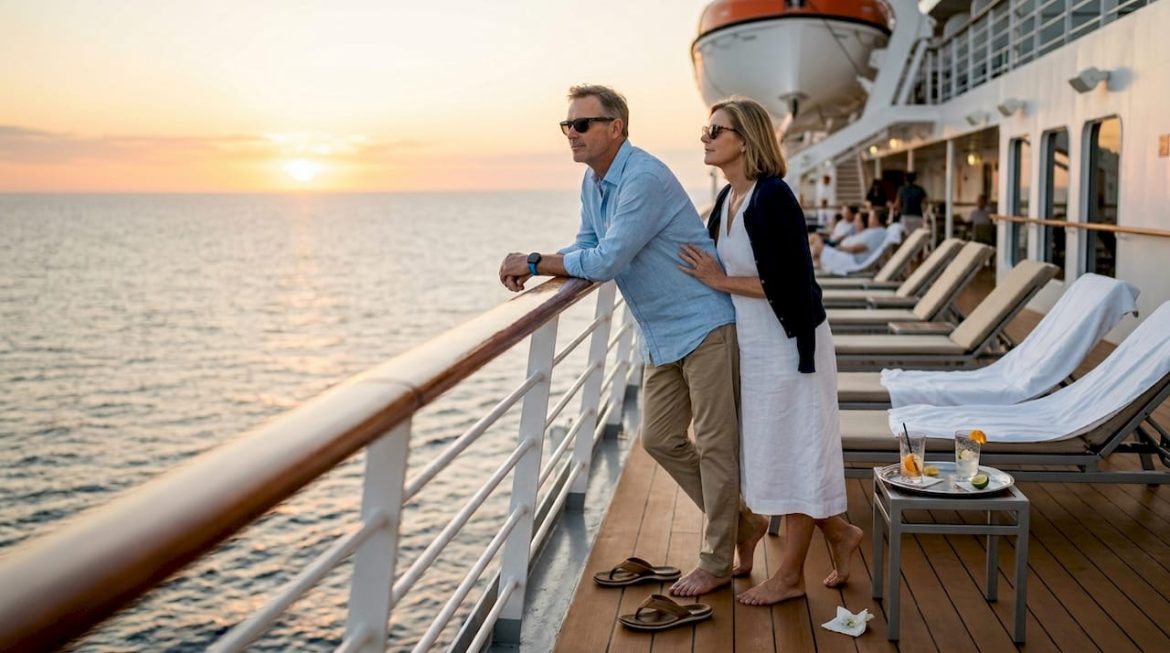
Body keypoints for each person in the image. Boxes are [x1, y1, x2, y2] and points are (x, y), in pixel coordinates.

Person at [497, 84, 766, 597]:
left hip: (705, 322)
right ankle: (741, 523)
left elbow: (606, 260)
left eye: (582, 125)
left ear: (615, 127)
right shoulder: (594, 182)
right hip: (660, 331)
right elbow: (585, 245)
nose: (571, 134)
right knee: (659, 438)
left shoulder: (641, 176)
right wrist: (542, 266)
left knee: (714, 446)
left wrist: (533, 262)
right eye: (567, 125)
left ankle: (715, 558)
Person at [679, 96, 861, 605]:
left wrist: (719, 279)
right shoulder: (727, 201)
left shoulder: (772, 196)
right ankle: (841, 535)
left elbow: (793, 285)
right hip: (755, 348)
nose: (707, 137)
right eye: (706, 129)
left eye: (717, 130)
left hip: (789, 346)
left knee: (796, 451)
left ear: (746, 138)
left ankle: (789, 576)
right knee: (775, 451)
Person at [809, 208, 888, 270]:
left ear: (876, 219)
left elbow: (858, 248)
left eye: (870, 217)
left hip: (851, 260)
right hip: (846, 254)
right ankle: (816, 268)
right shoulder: (872, 231)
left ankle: (814, 269)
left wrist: (837, 247)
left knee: (817, 248)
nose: (869, 220)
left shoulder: (878, 232)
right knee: (816, 247)